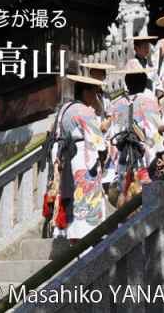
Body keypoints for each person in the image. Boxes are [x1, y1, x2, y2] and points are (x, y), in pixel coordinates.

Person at [46, 74, 107, 242]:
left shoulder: (65, 109)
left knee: (72, 203)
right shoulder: (84, 111)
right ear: (86, 92)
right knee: (87, 206)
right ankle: (87, 246)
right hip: (83, 158)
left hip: (67, 160)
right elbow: (99, 143)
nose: (95, 97)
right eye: (94, 92)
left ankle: (72, 239)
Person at [105, 60, 164, 208]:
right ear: (144, 80)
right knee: (148, 202)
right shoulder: (149, 101)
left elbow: (111, 136)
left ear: (126, 81)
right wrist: (161, 152)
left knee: (125, 201)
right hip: (145, 160)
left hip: (123, 162)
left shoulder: (116, 105)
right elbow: (156, 134)